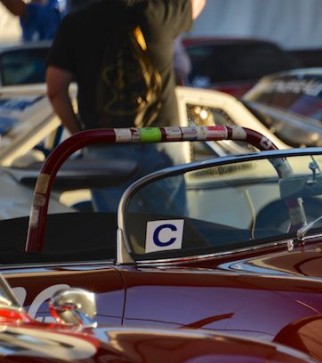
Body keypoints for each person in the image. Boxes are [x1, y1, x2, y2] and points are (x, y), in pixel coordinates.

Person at [45, 0, 205, 212]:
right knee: (169, 232)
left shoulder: (75, 23)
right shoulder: (163, 10)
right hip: (162, 139)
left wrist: (81, 137)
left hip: (105, 144)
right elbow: (195, 4)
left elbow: (55, 90)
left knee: (115, 231)